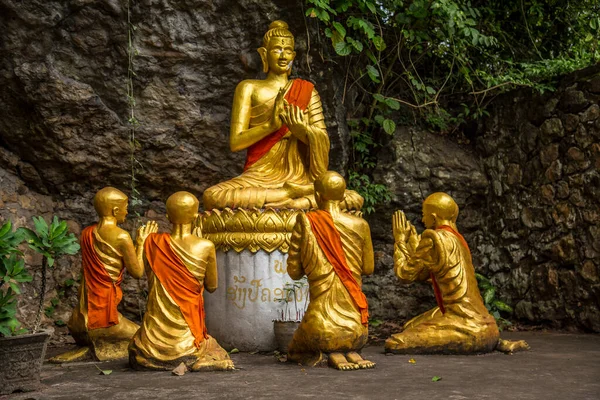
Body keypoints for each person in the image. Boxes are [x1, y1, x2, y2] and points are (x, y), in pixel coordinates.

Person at [203, 20, 362, 211]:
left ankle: (297, 198)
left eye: (287, 51)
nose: (283, 56)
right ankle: (292, 196)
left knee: (350, 196)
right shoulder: (249, 88)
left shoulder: (307, 91)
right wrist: (270, 126)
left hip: (301, 177)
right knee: (212, 196)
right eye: (277, 50)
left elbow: (323, 141)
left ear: (294, 56)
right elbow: (236, 142)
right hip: (259, 177)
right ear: (264, 54)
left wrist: (302, 131)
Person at [129, 191, 234, 371]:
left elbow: (137, 272)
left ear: (168, 216)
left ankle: (156, 359)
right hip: (187, 344)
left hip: (150, 345)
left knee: (134, 347)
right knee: (213, 347)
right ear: (195, 215)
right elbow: (212, 286)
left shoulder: (152, 242)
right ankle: (198, 361)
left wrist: (141, 243)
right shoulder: (205, 246)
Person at [385, 192, 501, 354]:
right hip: (486, 323)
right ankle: (491, 339)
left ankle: (479, 340)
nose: (423, 220)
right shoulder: (458, 239)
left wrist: (399, 241)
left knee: (396, 342)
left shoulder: (433, 237)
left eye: (424, 216)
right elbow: (428, 273)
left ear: (433, 217)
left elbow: (405, 274)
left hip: (467, 324)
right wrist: (414, 244)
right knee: (410, 326)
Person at [51, 187, 156, 362]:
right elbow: (137, 272)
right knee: (146, 336)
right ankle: (100, 342)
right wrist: (142, 242)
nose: (127, 211)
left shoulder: (86, 234)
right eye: (126, 207)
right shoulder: (121, 236)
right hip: (103, 320)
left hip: (77, 322)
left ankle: (92, 347)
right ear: (115, 210)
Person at [286, 171, 375, 370]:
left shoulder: (306, 222)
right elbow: (368, 268)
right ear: (344, 196)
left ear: (317, 196)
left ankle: (334, 353)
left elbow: (294, 272)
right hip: (358, 330)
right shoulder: (361, 225)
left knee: (295, 349)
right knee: (344, 336)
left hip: (320, 327)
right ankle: (350, 352)